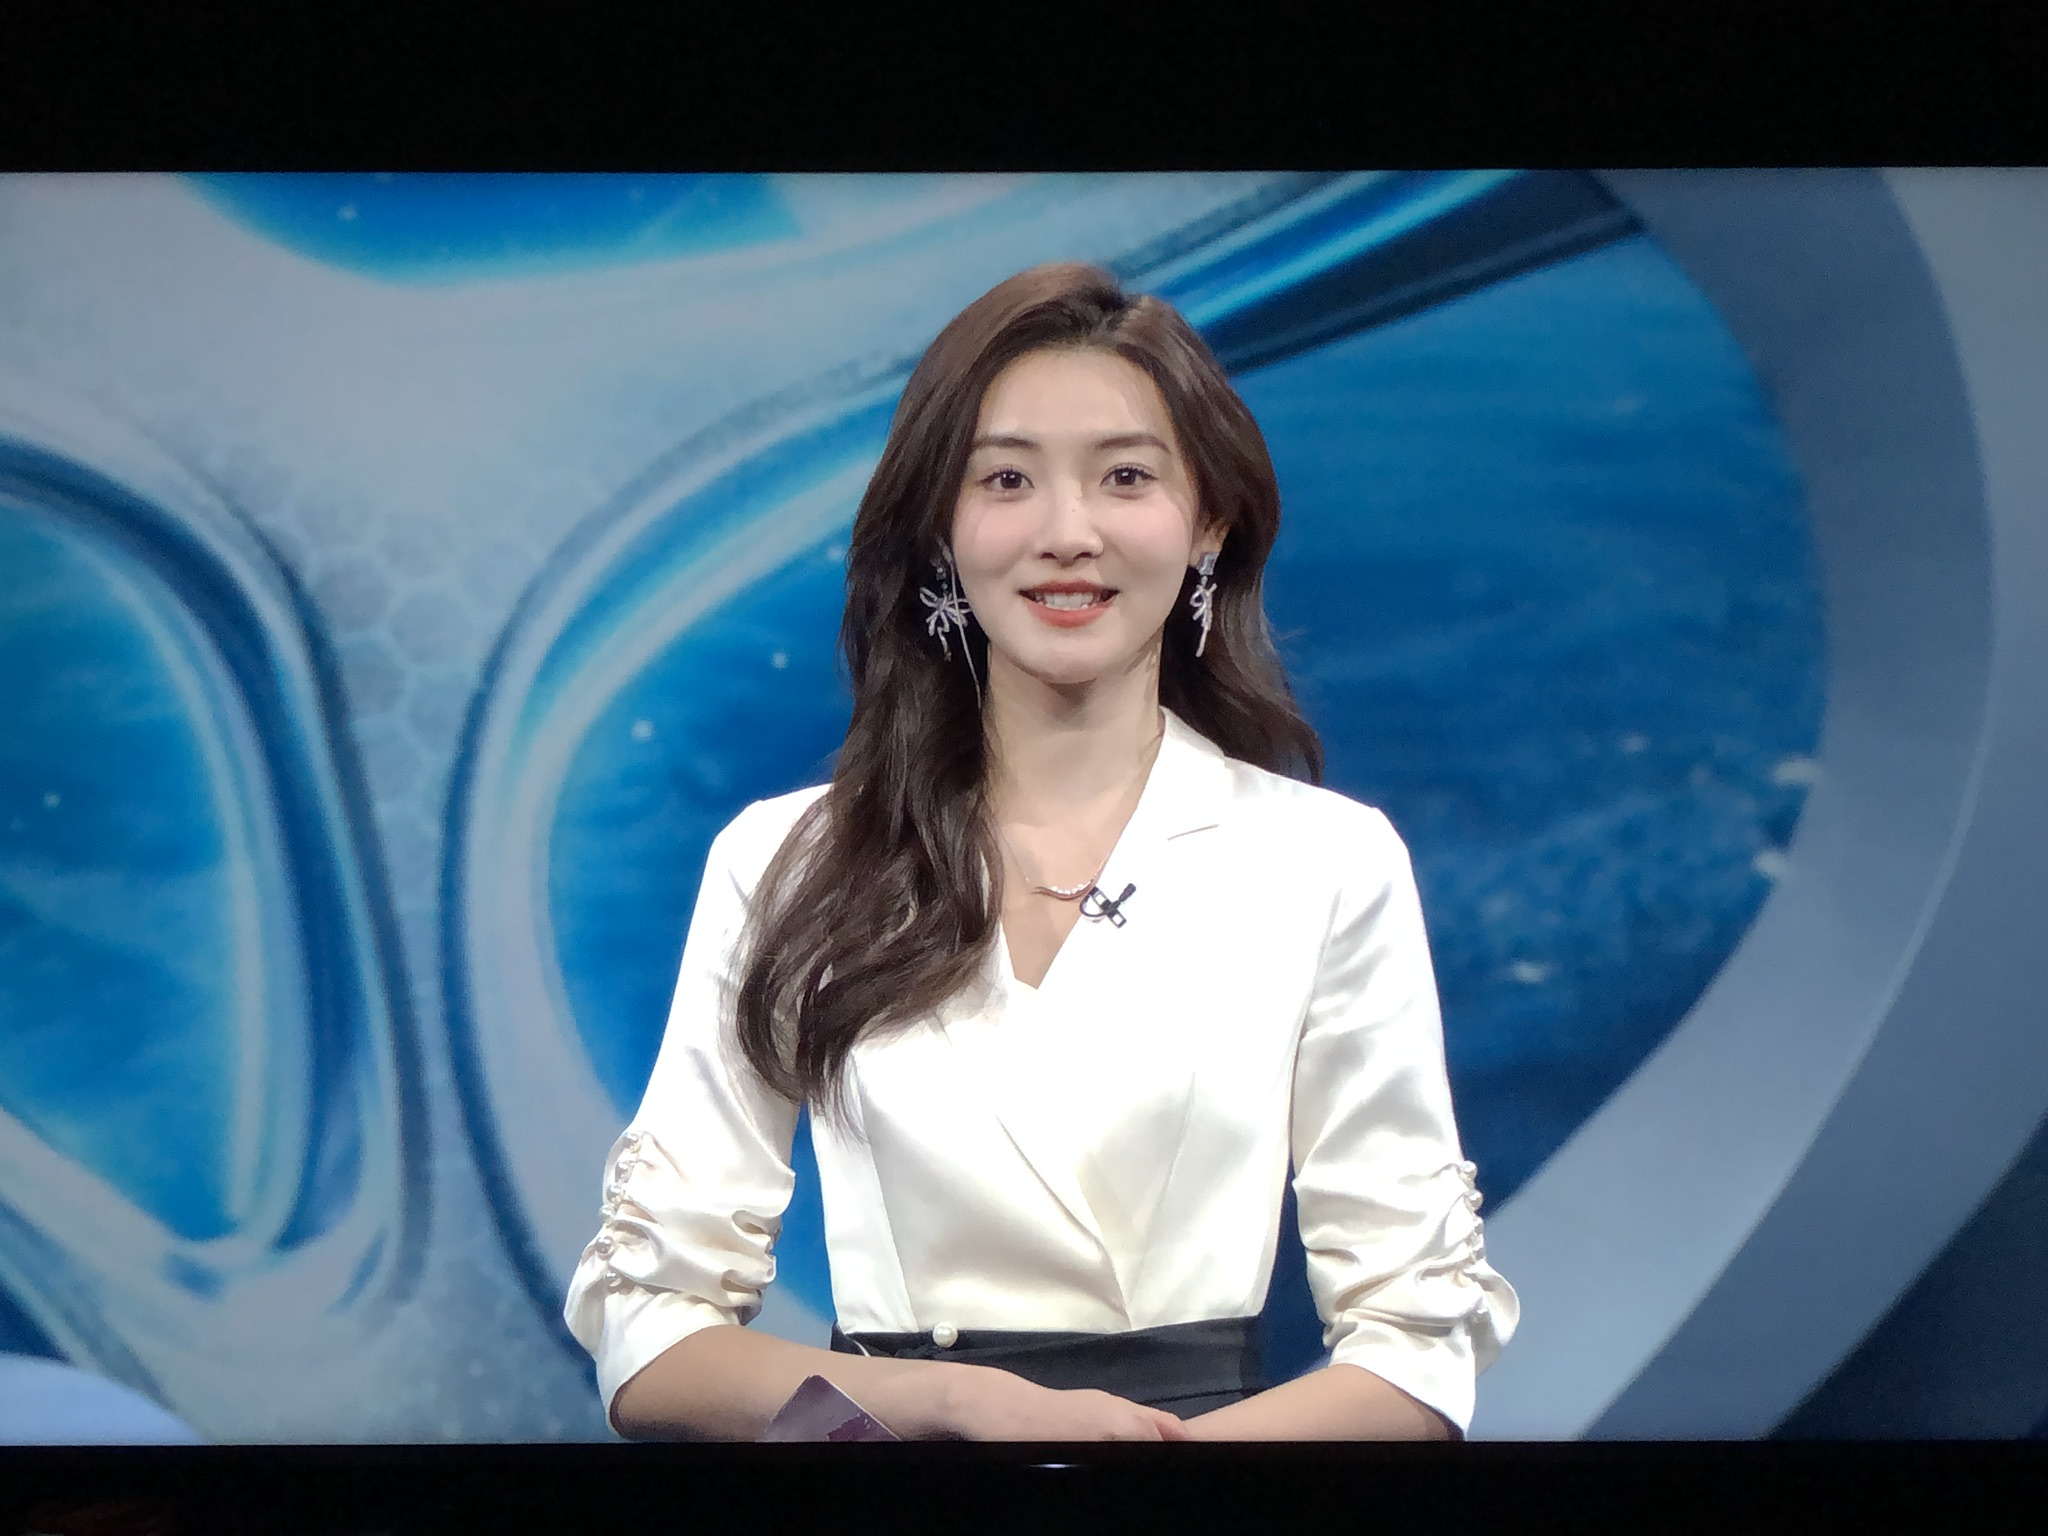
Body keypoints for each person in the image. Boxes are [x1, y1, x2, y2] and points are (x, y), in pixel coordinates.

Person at [563, 262, 1518, 1442]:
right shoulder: (789, 860)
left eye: (1125, 477)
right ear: (940, 528)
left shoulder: (1322, 862)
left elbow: (1419, 1339)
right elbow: (647, 1330)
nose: (1068, 534)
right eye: (1006, 480)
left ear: (1207, 522)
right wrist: (947, 1402)